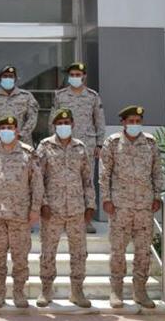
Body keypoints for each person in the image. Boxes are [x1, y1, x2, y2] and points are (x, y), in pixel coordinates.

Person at [100, 105, 163, 309]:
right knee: (118, 250)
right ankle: (116, 290)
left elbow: (157, 172)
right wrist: (106, 199)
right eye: (131, 121)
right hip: (120, 206)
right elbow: (105, 173)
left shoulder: (150, 143)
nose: (135, 124)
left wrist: (157, 196)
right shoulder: (113, 142)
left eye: (138, 121)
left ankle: (140, 291)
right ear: (123, 123)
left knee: (143, 251)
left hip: (144, 206)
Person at [0, 115, 43, 308]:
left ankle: (19, 292)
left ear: (17, 131)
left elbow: (37, 183)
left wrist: (35, 209)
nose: (6, 130)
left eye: (10, 127)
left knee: (20, 256)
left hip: (20, 214)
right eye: (3, 127)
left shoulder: (28, 153)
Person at [36, 109, 94, 308]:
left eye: (67, 122)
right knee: (48, 251)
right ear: (54, 126)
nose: (64, 126)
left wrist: (90, 204)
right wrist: (43, 203)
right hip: (52, 210)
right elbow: (38, 179)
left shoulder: (80, 147)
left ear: (73, 124)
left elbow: (87, 179)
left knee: (79, 252)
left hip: (76, 209)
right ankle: (46, 290)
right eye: (60, 123)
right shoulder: (45, 146)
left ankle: (77, 291)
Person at [51, 62, 106, 234]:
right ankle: (62, 219)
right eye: (72, 74)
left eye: (78, 74)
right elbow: (53, 120)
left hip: (87, 145)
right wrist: (52, 142)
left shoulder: (92, 96)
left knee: (86, 182)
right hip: (63, 145)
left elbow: (99, 120)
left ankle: (86, 220)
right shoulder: (60, 96)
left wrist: (99, 144)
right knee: (61, 181)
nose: (75, 77)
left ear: (84, 76)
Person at [0, 65, 39, 146]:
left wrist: (21, 134)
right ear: (0, 79)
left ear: (15, 79)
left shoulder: (26, 96)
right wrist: (0, 134)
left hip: (22, 142)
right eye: (5, 76)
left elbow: (32, 118)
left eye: (11, 76)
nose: (8, 78)